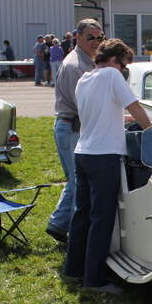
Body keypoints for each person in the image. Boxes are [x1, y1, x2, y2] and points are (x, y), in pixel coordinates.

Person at [64, 38, 152, 293]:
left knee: (82, 214)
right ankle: (94, 279)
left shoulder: (85, 79)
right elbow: (134, 107)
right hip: (105, 156)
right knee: (102, 218)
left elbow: (101, 113)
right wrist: (151, 130)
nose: (124, 71)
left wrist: (123, 119)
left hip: (83, 153)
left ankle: (73, 268)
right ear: (115, 60)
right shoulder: (112, 77)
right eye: (124, 66)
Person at [46, 18, 104, 244]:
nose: (96, 42)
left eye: (99, 38)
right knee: (81, 183)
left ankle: (59, 225)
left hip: (76, 126)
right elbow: (84, 105)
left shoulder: (88, 60)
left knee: (75, 179)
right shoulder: (74, 66)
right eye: (91, 37)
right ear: (77, 37)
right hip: (72, 127)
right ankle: (77, 237)